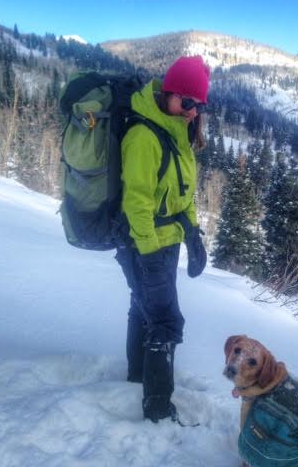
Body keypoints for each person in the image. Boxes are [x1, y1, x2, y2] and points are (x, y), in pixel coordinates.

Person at [115, 56, 209, 423]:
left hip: (165, 242)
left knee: (145, 309)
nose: (191, 112)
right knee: (167, 322)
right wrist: (149, 252)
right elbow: (136, 202)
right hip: (143, 243)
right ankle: (157, 408)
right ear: (168, 94)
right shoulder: (144, 136)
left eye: (198, 105)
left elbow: (183, 196)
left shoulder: (176, 132)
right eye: (186, 102)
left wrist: (193, 235)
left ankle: (137, 378)